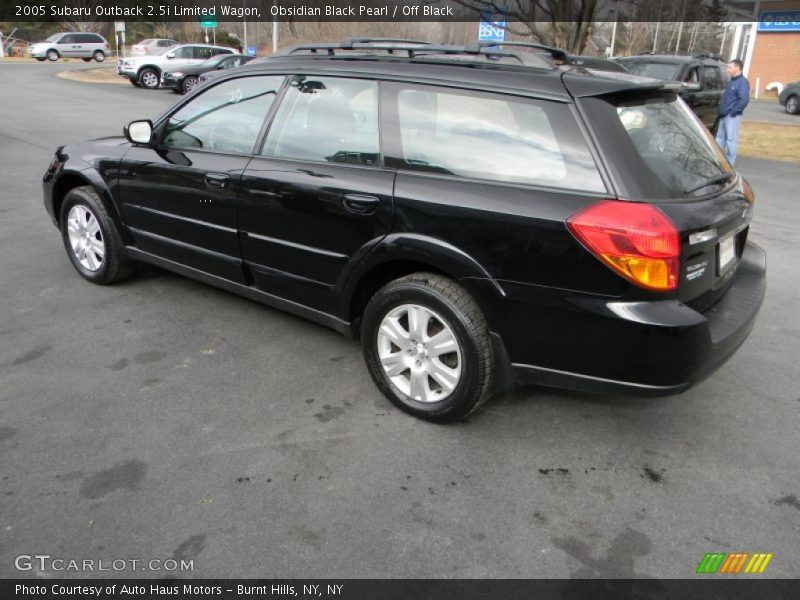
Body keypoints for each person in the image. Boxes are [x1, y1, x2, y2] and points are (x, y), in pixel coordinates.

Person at [715, 59, 750, 166]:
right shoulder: (731, 81)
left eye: (730, 67)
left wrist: (733, 112)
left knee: (731, 140)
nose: (727, 69)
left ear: (737, 68)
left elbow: (743, 99)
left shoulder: (742, 82)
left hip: (732, 117)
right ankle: (718, 161)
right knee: (719, 139)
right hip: (723, 115)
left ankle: (730, 164)